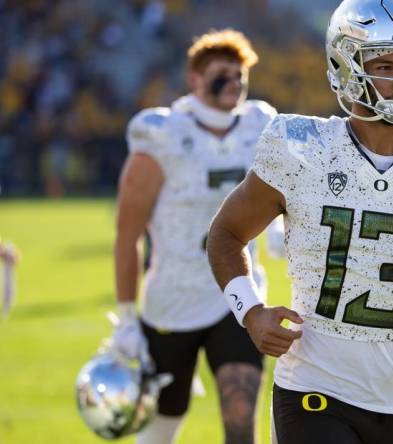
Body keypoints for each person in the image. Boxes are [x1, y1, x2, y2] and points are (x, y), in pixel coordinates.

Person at [205, 1, 393, 443]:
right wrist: (251, 311)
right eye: (385, 64)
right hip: (314, 391)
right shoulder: (300, 148)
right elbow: (225, 234)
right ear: (346, 65)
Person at [112, 29, 278, 444]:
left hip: (236, 291)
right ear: (194, 79)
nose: (234, 82)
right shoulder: (163, 134)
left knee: (241, 420)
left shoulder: (259, 125)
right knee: (161, 427)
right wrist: (127, 317)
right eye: (222, 73)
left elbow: (281, 191)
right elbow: (127, 234)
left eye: (239, 73)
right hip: (172, 299)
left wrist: (279, 230)